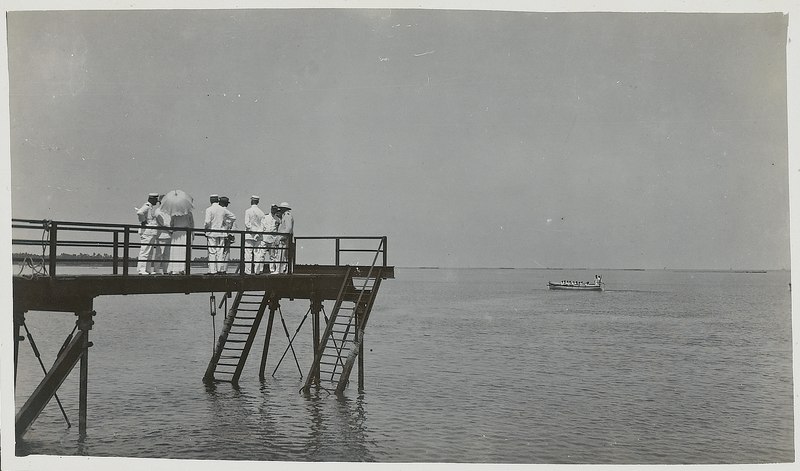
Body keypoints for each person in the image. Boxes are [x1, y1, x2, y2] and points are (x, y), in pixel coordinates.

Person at [135, 193, 160, 275]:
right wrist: (143, 221)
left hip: (151, 232)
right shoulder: (147, 206)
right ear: (152, 199)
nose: (157, 201)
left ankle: (147, 269)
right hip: (147, 232)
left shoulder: (150, 207)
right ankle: (141, 269)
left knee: (150, 252)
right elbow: (139, 212)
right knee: (145, 251)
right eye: (156, 200)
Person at [167, 207, 194, 275]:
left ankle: (174, 269)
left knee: (175, 250)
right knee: (184, 250)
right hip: (185, 233)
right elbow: (191, 224)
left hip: (176, 233)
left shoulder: (174, 214)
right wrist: (193, 234)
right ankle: (183, 268)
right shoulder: (189, 213)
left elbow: (171, 224)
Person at [243, 195, 266, 274]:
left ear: (251, 201)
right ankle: (257, 270)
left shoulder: (248, 211)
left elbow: (247, 224)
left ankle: (248, 271)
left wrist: (253, 232)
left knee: (248, 253)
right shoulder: (262, 213)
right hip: (258, 236)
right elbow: (263, 226)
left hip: (249, 235)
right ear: (258, 202)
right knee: (258, 253)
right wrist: (257, 233)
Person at [153, 194, 172, 275]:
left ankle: (165, 270)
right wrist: (170, 229)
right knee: (159, 254)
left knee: (167, 254)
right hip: (161, 235)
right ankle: (156, 270)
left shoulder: (168, 211)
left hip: (168, 235)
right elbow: (162, 223)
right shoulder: (158, 211)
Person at [218, 196, 236, 273]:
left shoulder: (218, 212)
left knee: (218, 252)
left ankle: (218, 269)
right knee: (226, 253)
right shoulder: (230, 214)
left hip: (219, 235)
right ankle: (224, 269)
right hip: (228, 235)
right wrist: (231, 234)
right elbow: (234, 226)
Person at [275, 202, 294, 274]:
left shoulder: (287, 216)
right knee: (285, 254)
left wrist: (283, 237)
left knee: (282, 254)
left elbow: (288, 228)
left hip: (285, 238)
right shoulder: (285, 216)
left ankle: (280, 270)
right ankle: (285, 270)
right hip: (285, 237)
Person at [263, 203, 281, 274]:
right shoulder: (265, 217)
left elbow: (278, 228)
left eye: (275, 210)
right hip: (265, 238)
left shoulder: (278, 219)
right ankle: (260, 269)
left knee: (272, 255)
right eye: (273, 209)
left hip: (273, 238)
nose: (274, 211)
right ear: (271, 209)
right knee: (262, 254)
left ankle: (272, 269)